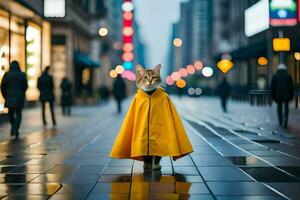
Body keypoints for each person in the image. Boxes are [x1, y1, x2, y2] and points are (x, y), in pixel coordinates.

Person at [110, 64, 193, 171]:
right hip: (142, 130)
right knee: (142, 142)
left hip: (160, 128)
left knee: (160, 143)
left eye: (153, 77)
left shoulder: (164, 97)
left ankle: (157, 162)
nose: (149, 81)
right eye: (145, 77)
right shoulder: (138, 97)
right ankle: (147, 162)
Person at [1, 61, 28, 138]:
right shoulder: (22, 74)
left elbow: (2, 86)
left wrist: (5, 96)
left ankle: (13, 126)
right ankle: (16, 127)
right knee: (19, 113)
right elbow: (25, 86)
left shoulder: (7, 74)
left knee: (10, 113)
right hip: (19, 97)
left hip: (9, 96)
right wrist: (22, 93)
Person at [271, 64, 294, 128]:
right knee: (286, 107)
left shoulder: (275, 76)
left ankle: (280, 121)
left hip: (278, 95)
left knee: (279, 107)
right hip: (287, 95)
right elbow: (291, 87)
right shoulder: (288, 76)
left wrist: (273, 96)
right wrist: (291, 95)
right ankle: (285, 119)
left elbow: (272, 87)